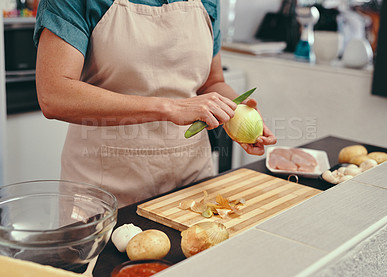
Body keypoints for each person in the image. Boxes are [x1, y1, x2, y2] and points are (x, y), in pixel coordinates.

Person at [33, 0, 277, 207]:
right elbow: (54, 94)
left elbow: (211, 82)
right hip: (105, 190)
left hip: (191, 183)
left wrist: (236, 113)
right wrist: (170, 108)